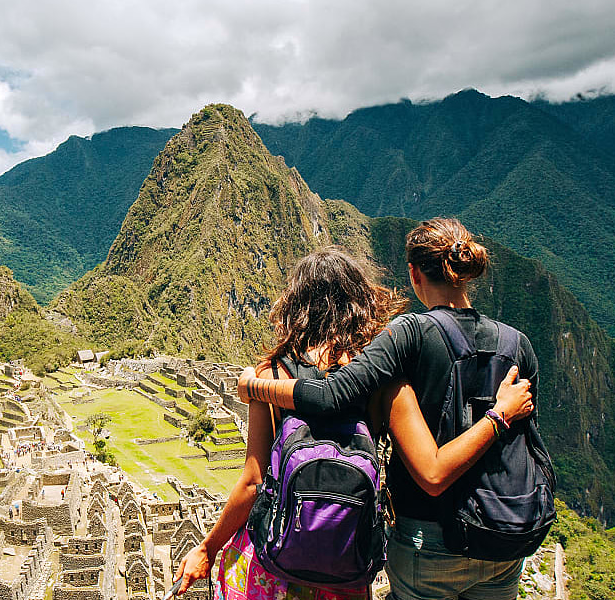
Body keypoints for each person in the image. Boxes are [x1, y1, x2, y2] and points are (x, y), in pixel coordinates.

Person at [174, 245, 533, 599]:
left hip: (274, 560)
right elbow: (428, 463)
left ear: (296, 305)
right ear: (362, 304)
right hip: (346, 565)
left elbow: (252, 483)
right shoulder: (385, 381)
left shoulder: (271, 376)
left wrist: (207, 548)